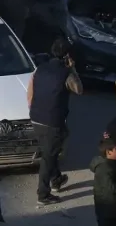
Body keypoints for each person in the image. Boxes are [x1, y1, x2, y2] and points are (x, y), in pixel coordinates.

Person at [28, 38, 82, 205]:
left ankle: (57, 179)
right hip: (53, 122)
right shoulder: (66, 73)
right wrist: (72, 68)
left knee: (50, 150)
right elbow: (79, 90)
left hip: (36, 118)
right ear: (67, 56)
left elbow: (30, 92)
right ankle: (43, 194)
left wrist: (35, 111)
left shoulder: (39, 69)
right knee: (48, 157)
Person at [92, 138, 116, 226]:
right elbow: (113, 188)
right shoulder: (104, 168)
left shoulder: (113, 163)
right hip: (109, 213)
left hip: (115, 210)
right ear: (108, 152)